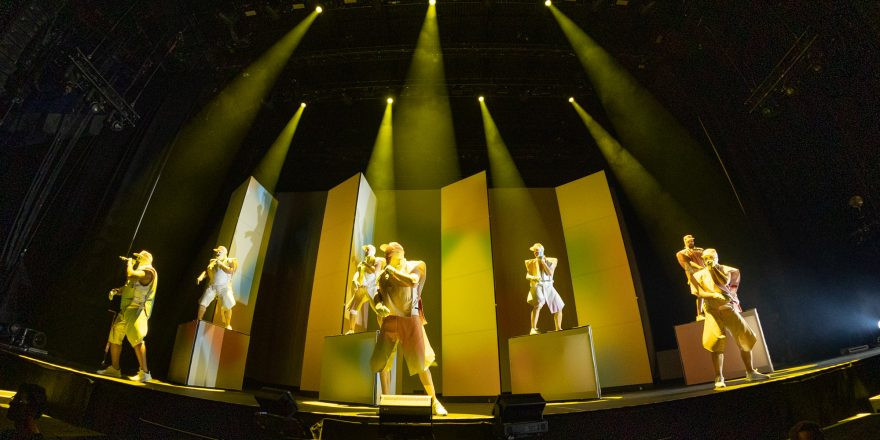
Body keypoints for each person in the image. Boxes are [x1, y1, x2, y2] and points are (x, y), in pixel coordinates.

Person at [369, 242, 447, 416]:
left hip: (409, 319)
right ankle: (386, 402)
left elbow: (412, 282)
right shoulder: (384, 274)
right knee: (383, 362)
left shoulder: (413, 266)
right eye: (387, 253)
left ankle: (434, 400)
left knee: (421, 362)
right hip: (389, 319)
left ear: (400, 252)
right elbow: (377, 293)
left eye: (391, 251)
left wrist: (392, 271)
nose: (388, 254)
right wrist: (379, 304)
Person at [691, 248, 769, 388]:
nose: (709, 260)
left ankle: (750, 372)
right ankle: (719, 377)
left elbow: (726, 283)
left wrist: (714, 268)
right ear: (702, 259)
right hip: (712, 310)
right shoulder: (698, 275)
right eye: (706, 258)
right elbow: (699, 293)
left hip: (728, 307)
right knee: (717, 341)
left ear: (717, 257)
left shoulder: (727, 270)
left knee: (744, 336)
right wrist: (712, 297)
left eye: (711, 257)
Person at [97, 250, 157, 382]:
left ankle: (145, 373)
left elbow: (130, 275)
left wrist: (129, 263)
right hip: (126, 310)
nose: (137, 260)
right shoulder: (140, 273)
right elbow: (129, 286)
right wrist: (117, 291)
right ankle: (115, 369)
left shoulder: (148, 272)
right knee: (115, 337)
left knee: (137, 338)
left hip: (138, 310)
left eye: (139, 258)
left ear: (144, 259)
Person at [345, 244, 385, 335]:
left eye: (367, 249)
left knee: (379, 310)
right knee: (353, 308)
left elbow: (375, 272)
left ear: (372, 251)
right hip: (362, 287)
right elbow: (357, 274)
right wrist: (355, 281)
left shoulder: (377, 260)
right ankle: (351, 329)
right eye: (365, 250)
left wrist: (365, 264)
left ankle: (384, 331)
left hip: (372, 287)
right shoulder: (361, 263)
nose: (366, 251)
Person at [525, 243, 564, 335]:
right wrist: (533, 278)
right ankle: (533, 328)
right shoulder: (531, 262)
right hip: (538, 284)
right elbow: (527, 275)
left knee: (559, 306)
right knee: (538, 304)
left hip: (548, 285)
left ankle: (558, 328)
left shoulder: (552, 260)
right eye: (534, 251)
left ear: (542, 251)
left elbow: (550, 273)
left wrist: (543, 262)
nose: (535, 252)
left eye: (537, 251)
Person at [196, 245, 238, 330]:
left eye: (220, 251)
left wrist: (221, 264)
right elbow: (207, 271)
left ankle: (227, 324)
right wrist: (201, 277)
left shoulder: (230, 261)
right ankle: (199, 320)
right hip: (213, 286)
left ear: (225, 253)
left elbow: (231, 271)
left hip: (224, 287)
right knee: (203, 303)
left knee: (228, 305)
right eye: (217, 252)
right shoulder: (213, 261)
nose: (218, 253)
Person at [675, 234, 706, 321]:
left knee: (710, 292)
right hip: (694, 275)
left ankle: (709, 311)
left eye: (692, 240)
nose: (691, 242)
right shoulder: (682, 253)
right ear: (685, 242)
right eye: (689, 241)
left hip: (705, 273)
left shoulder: (700, 250)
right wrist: (699, 267)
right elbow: (687, 264)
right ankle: (700, 314)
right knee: (700, 294)